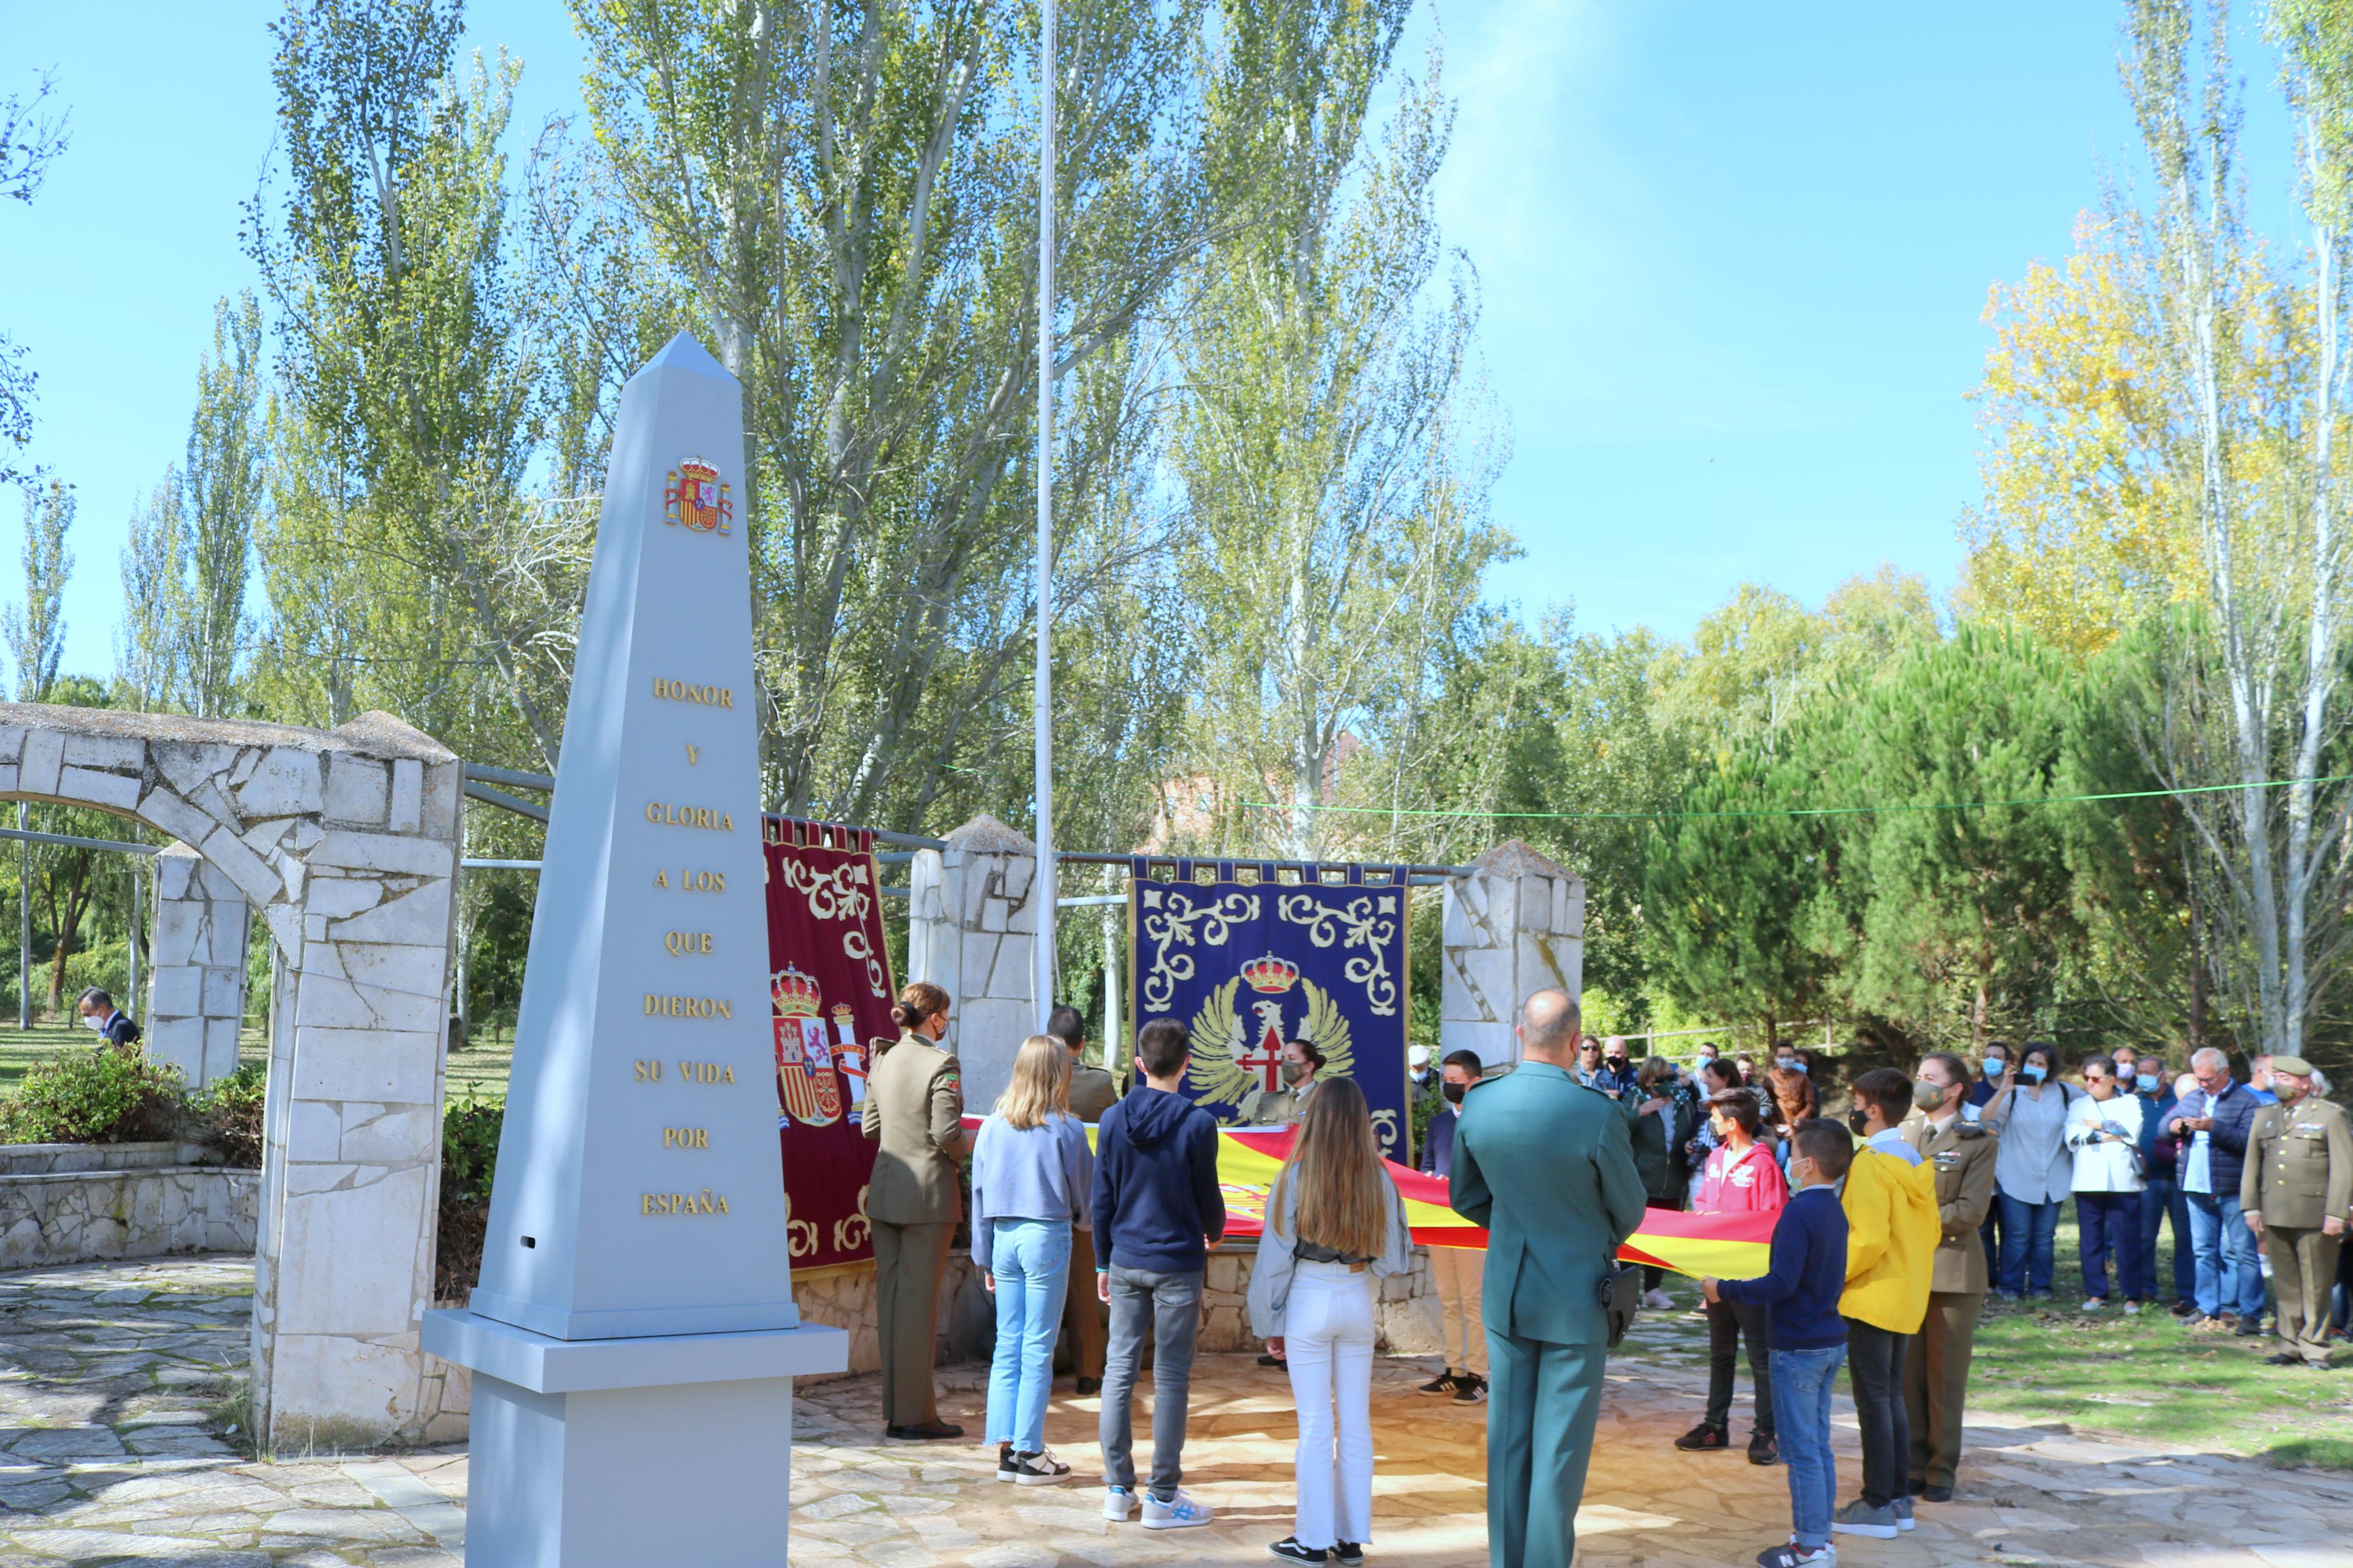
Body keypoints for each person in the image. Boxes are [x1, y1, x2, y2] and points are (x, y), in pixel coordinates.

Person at [1449, 989, 1647, 1568]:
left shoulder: (1479, 1102)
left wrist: (1514, 1226)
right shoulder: (1596, 1113)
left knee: (1507, 1440)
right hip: (1575, 1293)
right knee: (1558, 1449)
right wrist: (1582, 1233)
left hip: (1508, 1288)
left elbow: (1465, 1196)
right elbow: (1629, 1209)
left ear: (1518, 1036)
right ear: (1571, 1041)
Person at [1247, 1076, 1414, 1566]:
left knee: (1316, 1423)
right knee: (1356, 1422)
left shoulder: (1295, 1174)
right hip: (1357, 1296)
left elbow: (1274, 1258)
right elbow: (1393, 1258)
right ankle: (1350, 1537)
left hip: (1308, 1295)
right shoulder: (1379, 1176)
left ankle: (1312, 1539)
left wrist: (1269, 1321)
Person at [1093, 1018, 1226, 1530]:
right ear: (1187, 1063)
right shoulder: (1197, 1123)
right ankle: (1163, 1496)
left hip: (1126, 1259)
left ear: (1139, 1064)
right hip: (1176, 1263)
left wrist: (1103, 1260)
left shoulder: (1110, 1119)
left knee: (1119, 1370)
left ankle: (1116, 1488)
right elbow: (1206, 1195)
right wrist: (1212, 1232)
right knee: (1171, 1376)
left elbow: (1101, 1198)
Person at [1707, 1121, 1854, 1568]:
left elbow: (1780, 1282)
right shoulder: (1834, 1209)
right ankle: (1819, 1538)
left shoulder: (1798, 1212)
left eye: (1792, 1152)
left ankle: (1809, 1548)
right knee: (1818, 1445)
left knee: (1801, 1450)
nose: (1787, 1160)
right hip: (1828, 1339)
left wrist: (1724, 1288)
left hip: (1798, 1346)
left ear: (1807, 1164)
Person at [973, 1034, 1095, 1484]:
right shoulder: (1066, 1128)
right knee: (1037, 1346)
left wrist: (983, 1257)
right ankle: (1030, 1450)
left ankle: (1006, 1449)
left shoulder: (991, 1126)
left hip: (1002, 1237)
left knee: (1009, 1344)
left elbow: (979, 1195)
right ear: (1059, 1072)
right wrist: (1084, 1221)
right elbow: (1085, 1196)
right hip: (1045, 1233)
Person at [861, 981, 973, 1440]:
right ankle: (913, 1415)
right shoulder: (941, 1063)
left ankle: (897, 1408)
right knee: (918, 1308)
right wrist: (973, 1147)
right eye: (946, 1015)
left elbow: (871, 1127)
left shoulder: (884, 1059)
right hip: (927, 1197)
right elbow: (947, 1133)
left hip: (886, 1193)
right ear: (935, 1018)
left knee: (891, 1304)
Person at [1830, 1067, 1937, 1541]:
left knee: (1873, 1401)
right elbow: (1930, 1232)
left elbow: (1867, 1239)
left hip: (1871, 1295)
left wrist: (1831, 1277)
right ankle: (1896, 1499)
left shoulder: (1872, 1162)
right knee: (1890, 1397)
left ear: (1871, 1110)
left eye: (1855, 1102)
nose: (1851, 1111)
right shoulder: (1916, 1160)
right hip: (1907, 1293)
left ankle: (1875, 1502)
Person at [1903, 1050, 1997, 1503]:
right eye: (1918, 1075)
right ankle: (1911, 1464)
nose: (1920, 1082)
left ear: (1955, 1088)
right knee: (1907, 1376)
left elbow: (1969, 1211)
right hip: (1906, 1270)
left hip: (1952, 1272)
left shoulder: (1977, 1140)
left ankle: (1940, 1471)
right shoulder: (1902, 1134)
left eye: (1930, 1077)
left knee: (1944, 1378)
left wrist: (1907, 1218)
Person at [1676, 1086, 1787, 1464]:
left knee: (1760, 1355)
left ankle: (1765, 1431)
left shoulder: (1764, 1164)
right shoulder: (1716, 1158)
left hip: (1751, 1280)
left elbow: (1773, 1219)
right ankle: (1714, 1426)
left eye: (1715, 1117)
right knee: (1720, 1353)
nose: (1711, 1122)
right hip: (1716, 1277)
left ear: (1733, 1123)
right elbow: (1704, 1202)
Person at [2241, 1056, 2351, 1368]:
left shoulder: (2330, 1115)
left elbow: (2344, 1169)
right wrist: (2251, 1206)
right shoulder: (2265, 1115)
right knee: (2286, 1283)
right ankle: (2289, 1344)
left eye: (2286, 1078)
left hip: (2315, 1213)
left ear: (2305, 1083)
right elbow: (2252, 1164)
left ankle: (2316, 1346)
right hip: (2274, 1211)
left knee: (2317, 1283)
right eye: (2275, 1077)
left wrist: (2337, 1213)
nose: (2279, 1083)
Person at [2170, 1046, 2267, 1335]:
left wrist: (2215, 1128)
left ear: (2225, 1072)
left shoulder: (2246, 1101)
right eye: (2199, 1079)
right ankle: (2206, 1306)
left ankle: (2250, 1312)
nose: (2203, 1085)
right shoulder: (2193, 1098)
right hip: (2196, 1186)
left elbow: (2251, 1141)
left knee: (2241, 1251)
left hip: (2232, 1187)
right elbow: (2166, 1126)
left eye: (2208, 1079)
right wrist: (2175, 1125)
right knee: (2203, 1250)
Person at [1044, 1005, 1114, 1396]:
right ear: (1081, 1043)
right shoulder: (1100, 1083)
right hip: (1086, 1198)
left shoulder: (1030, 1081)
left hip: (1039, 1197)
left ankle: (1043, 1368)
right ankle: (1089, 1372)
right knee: (1084, 1291)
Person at [1418, 1048, 1488, 1403]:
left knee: (1474, 1300)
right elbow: (1427, 1163)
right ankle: (1454, 1369)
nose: (1449, 1087)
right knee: (1448, 1298)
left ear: (1474, 1082)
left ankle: (1479, 1373)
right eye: (1445, 1081)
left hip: (1474, 1224)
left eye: (1455, 1082)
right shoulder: (1439, 1124)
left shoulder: (1491, 1121)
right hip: (1440, 1222)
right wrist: (1430, 1177)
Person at [1984, 1041, 2071, 1300]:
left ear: (2050, 1068)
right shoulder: (2012, 1094)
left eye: (2040, 1064)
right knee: (2017, 1236)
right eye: (2030, 1062)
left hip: (2054, 1177)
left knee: (2045, 1237)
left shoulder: (2065, 1093)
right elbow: (1986, 1121)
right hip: (2016, 1176)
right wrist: (2002, 1092)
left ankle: (2040, 1287)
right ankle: (2011, 1287)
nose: (2034, 1068)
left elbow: (2093, 1104)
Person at [2065, 1055, 2147, 1311]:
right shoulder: (2079, 1105)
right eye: (2086, 1078)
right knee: (2091, 1240)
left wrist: (2095, 1127)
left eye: (2096, 1078)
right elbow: (2071, 1136)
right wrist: (2111, 1133)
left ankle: (2132, 1294)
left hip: (2123, 1182)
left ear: (2112, 1080)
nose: (2090, 1083)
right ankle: (2096, 1293)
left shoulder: (2130, 1101)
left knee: (2128, 1240)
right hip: (2088, 1181)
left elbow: (2132, 1132)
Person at [2132, 1056, 2196, 1315]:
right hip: (2148, 1181)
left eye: (2149, 1072)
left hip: (2180, 1179)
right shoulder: (2134, 1101)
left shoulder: (2181, 1099)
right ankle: (2146, 1287)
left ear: (2162, 1075)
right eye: (2140, 1072)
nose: (2143, 1076)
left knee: (2185, 1239)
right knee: (2145, 1237)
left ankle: (2188, 1293)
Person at [1630, 1057, 1687, 1310]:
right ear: (1648, 1079)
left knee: (1663, 1240)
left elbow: (1692, 1128)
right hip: (1642, 1180)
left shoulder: (1682, 1103)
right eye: (1659, 1079)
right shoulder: (1634, 1098)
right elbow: (1616, 1126)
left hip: (1673, 1180)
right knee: (1634, 1237)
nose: (1665, 1083)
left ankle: (1653, 1290)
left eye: (1669, 1078)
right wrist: (1638, 1113)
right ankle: (1628, 1290)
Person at [1684, 1058, 1741, 1206]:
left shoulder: (1742, 1107)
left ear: (1725, 1080)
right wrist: (1690, 1144)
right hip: (1699, 1174)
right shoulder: (1705, 1106)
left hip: (1729, 1174)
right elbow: (1695, 1131)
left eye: (1710, 1076)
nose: (1705, 1081)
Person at [1249, 1037, 1325, 1126]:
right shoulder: (1268, 1100)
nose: (1285, 1064)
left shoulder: (1327, 1099)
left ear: (1309, 1066)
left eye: (1292, 1058)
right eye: (1283, 1059)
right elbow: (1252, 1135)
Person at [1765, 1065, 1816, 1159]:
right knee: (1782, 1157)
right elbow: (1767, 1106)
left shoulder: (1805, 1080)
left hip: (1801, 1128)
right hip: (1780, 1130)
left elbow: (1810, 1106)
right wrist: (1776, 1126)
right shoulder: (1770, 1079)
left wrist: (1795, 1124)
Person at [76, 987, 140, 1048]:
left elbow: (118, 1057)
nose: (86, 1019)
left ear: (102, 1008)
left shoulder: (121, 1027)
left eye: (87, 1015)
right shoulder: (108, 1029)